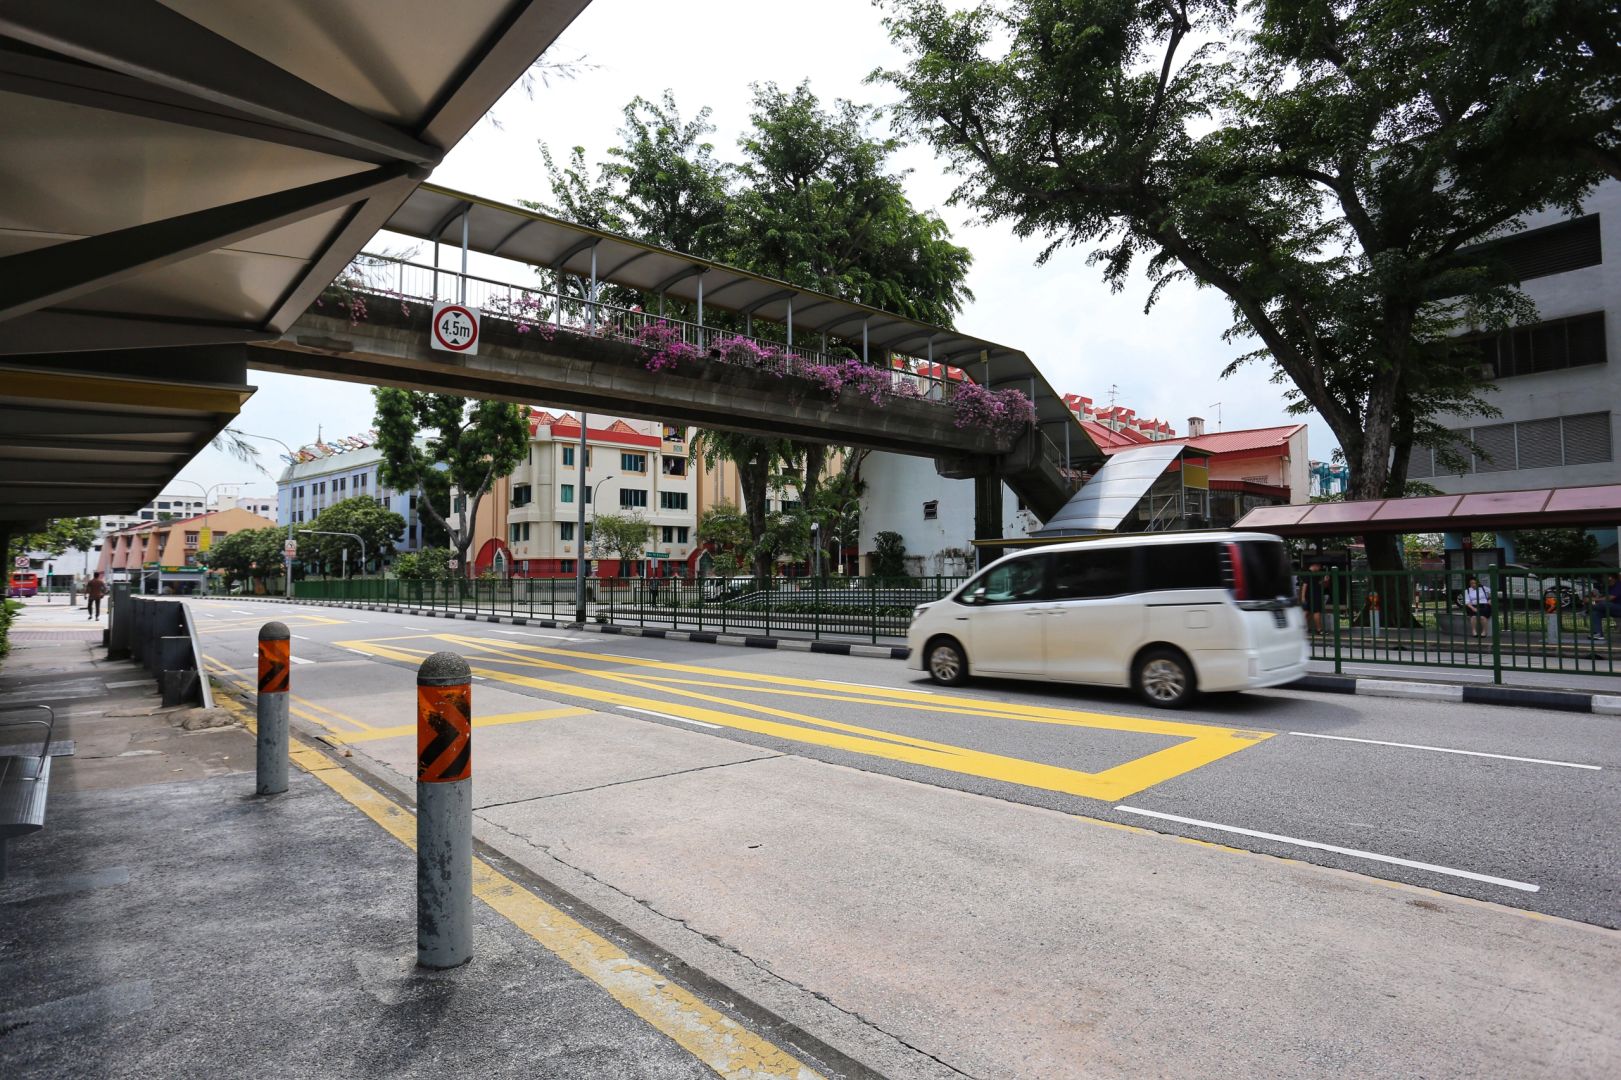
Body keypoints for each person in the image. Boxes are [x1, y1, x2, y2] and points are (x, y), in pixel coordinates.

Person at [1589, 573, 1621, 641]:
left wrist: (1592, 599)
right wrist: (1596, 596)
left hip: (1618, 607)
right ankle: (1598, 634)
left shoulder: (1619, 585)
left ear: (1610, 578)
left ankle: (1586, 611)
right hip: (1614, 609)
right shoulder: (1608, 586)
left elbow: (1610, 598)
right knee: (1595, 613)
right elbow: (1603, 598)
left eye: (1604, 577)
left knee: (1603, 603)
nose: (1602, 579)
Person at [1299, 563, 1327, 634]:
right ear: (1314, 566)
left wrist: (1324, 581)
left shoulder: (1315, 574)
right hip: (1312, 596)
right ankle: (1319, 629)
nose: (1319, 568)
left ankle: (1304, 628)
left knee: (1307, 613)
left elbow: (1320, 584)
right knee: (1316, 612)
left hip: (1312, 595)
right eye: (1318, 566)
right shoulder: (1308, 574)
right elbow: (1305, 586)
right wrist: (1303, 597)